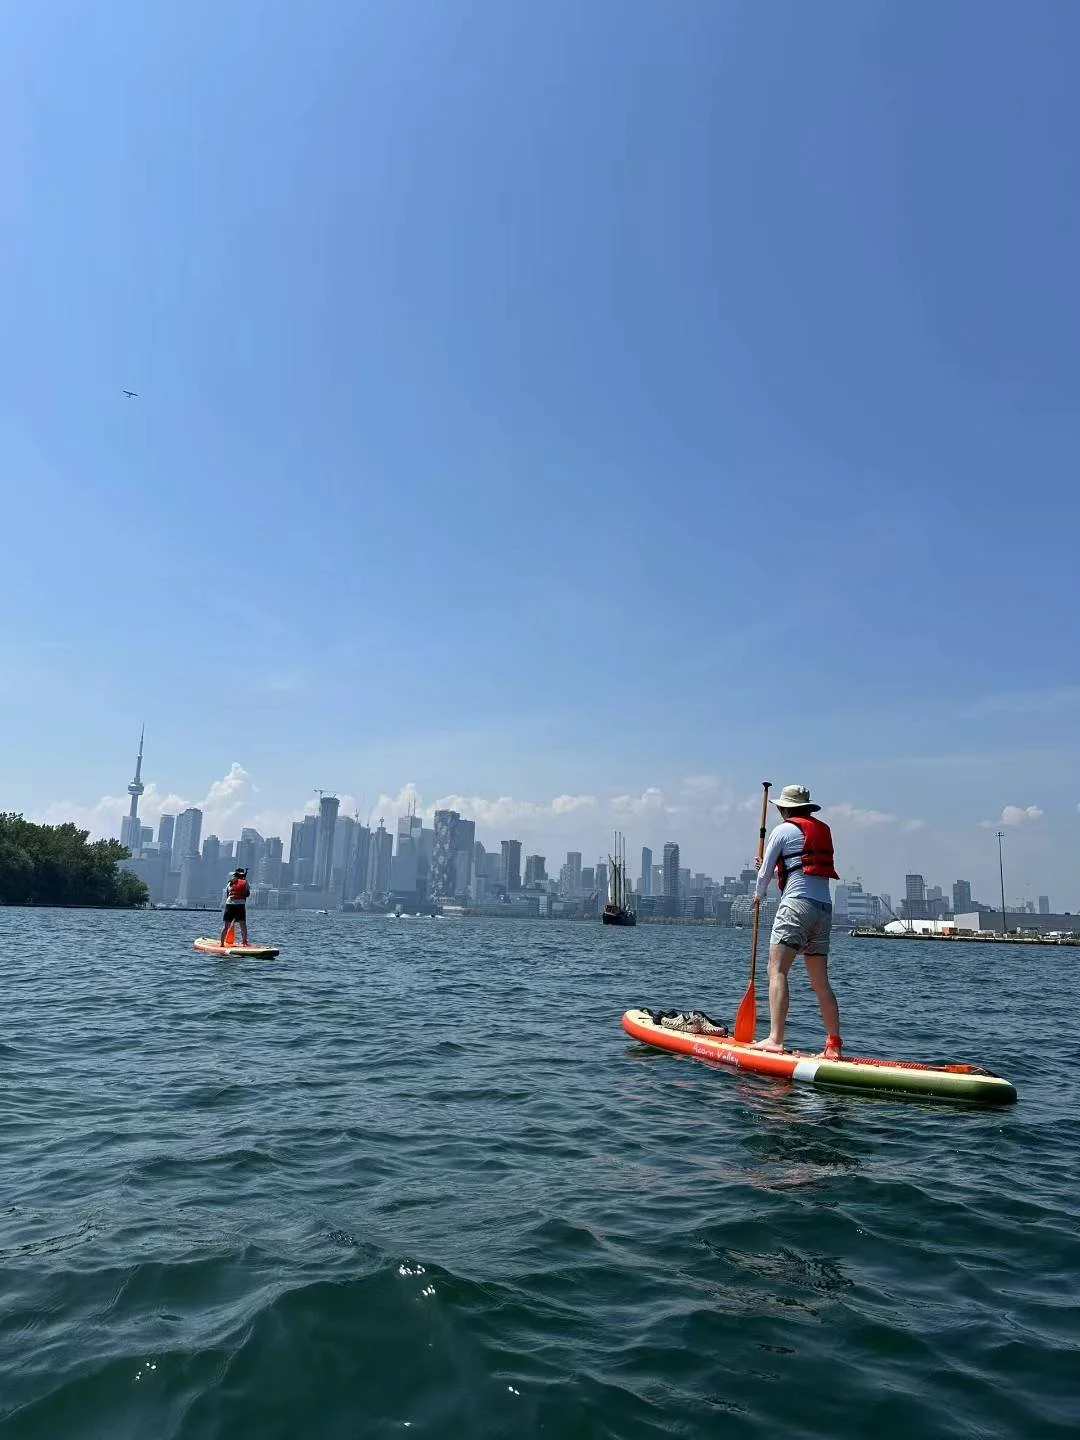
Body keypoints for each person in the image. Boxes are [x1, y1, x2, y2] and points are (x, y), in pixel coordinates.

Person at [752, 785, 842, 1059]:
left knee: (776, 970)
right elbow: (797, 863)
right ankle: (834, 1045)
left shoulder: (782, 830)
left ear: (785, 809)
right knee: (820, 981)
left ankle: (775, 1040)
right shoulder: (823, 831)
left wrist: (757, 896)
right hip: (823, 909)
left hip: (796, 906)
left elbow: (765, 873)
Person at [221, 867, 251, 947]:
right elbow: (247, 894)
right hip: (240, 905)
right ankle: (244, 942)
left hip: (229, 904)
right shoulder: (245, 882)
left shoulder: (230, 883)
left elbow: (228, 895)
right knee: (242, 924)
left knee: (226, 926)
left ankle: (221, 944)